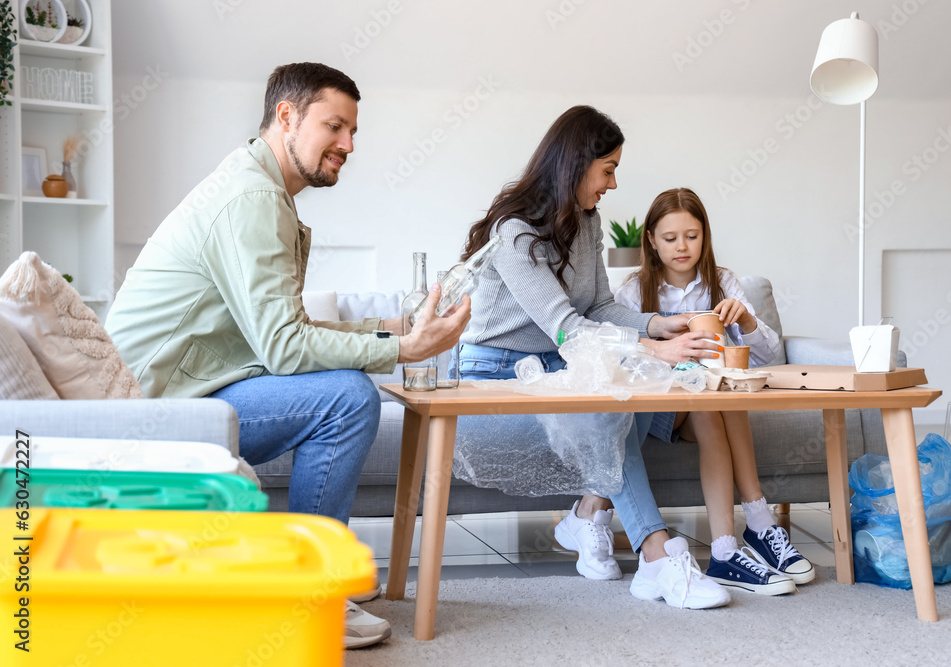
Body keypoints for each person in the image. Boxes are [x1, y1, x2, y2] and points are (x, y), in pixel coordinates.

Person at [105, 63, 471, 648]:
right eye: (334, 126)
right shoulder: (252, 198)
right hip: (158, 409)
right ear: (286, 117)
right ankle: (310, 589)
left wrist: (395, 325)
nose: (348, 145)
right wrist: (402, 349)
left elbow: (283, 327)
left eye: (353, 131)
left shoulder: (258, 188)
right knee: (348, 399)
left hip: (188, 389)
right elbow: (284, 347)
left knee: (346, 387)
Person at [458, 105, 731, 609]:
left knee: (637, 399)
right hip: (495, 376)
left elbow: (601, 308)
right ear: (574, 164)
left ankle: (589, 516)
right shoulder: (513, 234)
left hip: (562, 367)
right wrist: (655, 349)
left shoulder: (587, 221)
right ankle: (655, 553)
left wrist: (656, 324)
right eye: (608, 169)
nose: (613, 183)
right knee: (611, 407)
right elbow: (568, 329)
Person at [614, 187, 814, 594]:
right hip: (660, 408)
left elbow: (771, 357)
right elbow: (619, 356)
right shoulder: (634, 292)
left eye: (692, 235)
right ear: (651, 240)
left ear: (705, 236)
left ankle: (743, 538)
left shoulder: (723, 283)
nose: (682, 246)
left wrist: (749, 323)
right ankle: (745, 535)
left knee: (721, 398)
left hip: (709, 400)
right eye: (670, 238)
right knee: (711, 402)